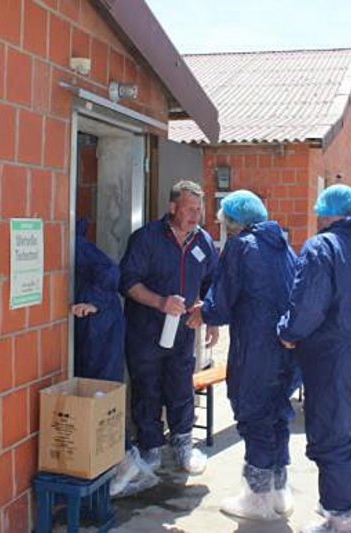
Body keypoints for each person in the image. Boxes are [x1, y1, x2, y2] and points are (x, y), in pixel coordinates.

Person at [277, 184, 351, 533]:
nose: (316, 218)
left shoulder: (322, 246)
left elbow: (309, 305)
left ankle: (341, 518)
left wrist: (288, 333)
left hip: (342, 359)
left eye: (319, 213)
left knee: (333, 438)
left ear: (329, 215)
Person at [187, 190, 298, 521]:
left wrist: (202, 313)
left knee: (255, 415)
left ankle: (257, 498)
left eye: (224, 221)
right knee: (278, 415)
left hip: (256, 348)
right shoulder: (283, 246)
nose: (223, 227)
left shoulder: (241, 247)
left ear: (234, 221)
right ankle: (278, 490)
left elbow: (223, 301)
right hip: (285, 349)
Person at [119, 180, 219, 475]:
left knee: (181, 387)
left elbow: (213, 282)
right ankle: (151, 448)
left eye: (199, 210)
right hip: (146, 330)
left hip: (184, 331)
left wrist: (209, 314)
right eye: (189, 209)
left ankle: (183, 445)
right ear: (172, 207)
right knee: (147, 388)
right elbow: (128, 283)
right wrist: (160, 302)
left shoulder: (203, 242)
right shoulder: (146, 239)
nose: (196, 216)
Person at [71, 219, 158, 497]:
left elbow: (110, 270)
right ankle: (123, 459)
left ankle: (123, 460)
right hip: (96, 327)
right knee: (100, 394)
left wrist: (93, 302)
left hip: (101, 327)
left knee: (101, 394)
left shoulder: (75, 245)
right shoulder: (70, 242)